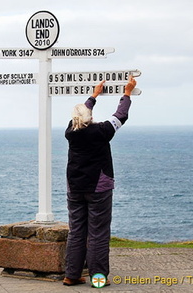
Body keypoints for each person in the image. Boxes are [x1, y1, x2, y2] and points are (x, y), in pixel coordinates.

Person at [63, 75, 137, 287]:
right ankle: (98, 278)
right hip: (98, 188)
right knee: (98, 233)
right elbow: (121, 115)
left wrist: (94, 96)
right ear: (89, 117)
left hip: (75, 187)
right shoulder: (102, 131)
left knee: (76, 231)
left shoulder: (71, 130)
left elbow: (82, 114)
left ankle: (71, 275)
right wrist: (127, 93)